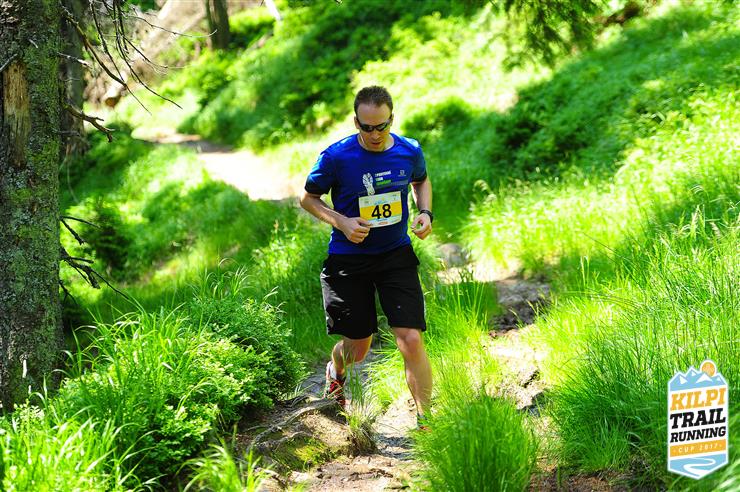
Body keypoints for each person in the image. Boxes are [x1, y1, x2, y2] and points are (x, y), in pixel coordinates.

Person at [299, 86, 434, 428]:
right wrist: (342, 222)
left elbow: (421, 181)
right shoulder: (336, 157)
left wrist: (425, 212)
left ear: (392, 118)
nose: (375, 134)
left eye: (382, 126)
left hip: (395, 255)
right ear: (356, 122)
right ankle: (336, 370)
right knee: (358, 348)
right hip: (349, 260)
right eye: (366, 127)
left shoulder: (409, 150)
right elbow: (308, 199)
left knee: (411, 338)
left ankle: (426, 420)